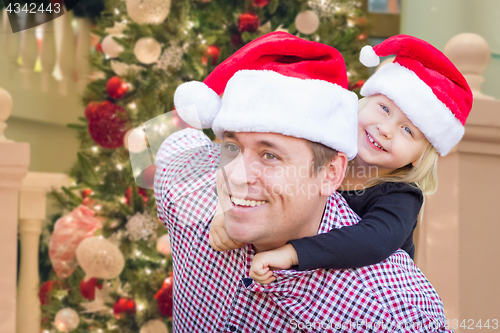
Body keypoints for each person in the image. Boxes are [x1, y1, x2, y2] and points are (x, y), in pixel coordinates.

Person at [155, 32, 450, 332]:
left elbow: (374, 241)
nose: (237, 177)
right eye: (232, 147)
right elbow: (171, 149)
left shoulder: (390, 315)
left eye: (270, 155)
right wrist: (226, 209)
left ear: (330, 174)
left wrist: (293, 253)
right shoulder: (192, 189)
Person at [209, 34, 473, 285]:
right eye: (384, 108)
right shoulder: (324, 150)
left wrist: (293, 253)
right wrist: (233, 216)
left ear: (419, 158)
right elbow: (268, 180)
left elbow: (373, 241)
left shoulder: (401, 195)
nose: (386, 129)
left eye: (408, 130)